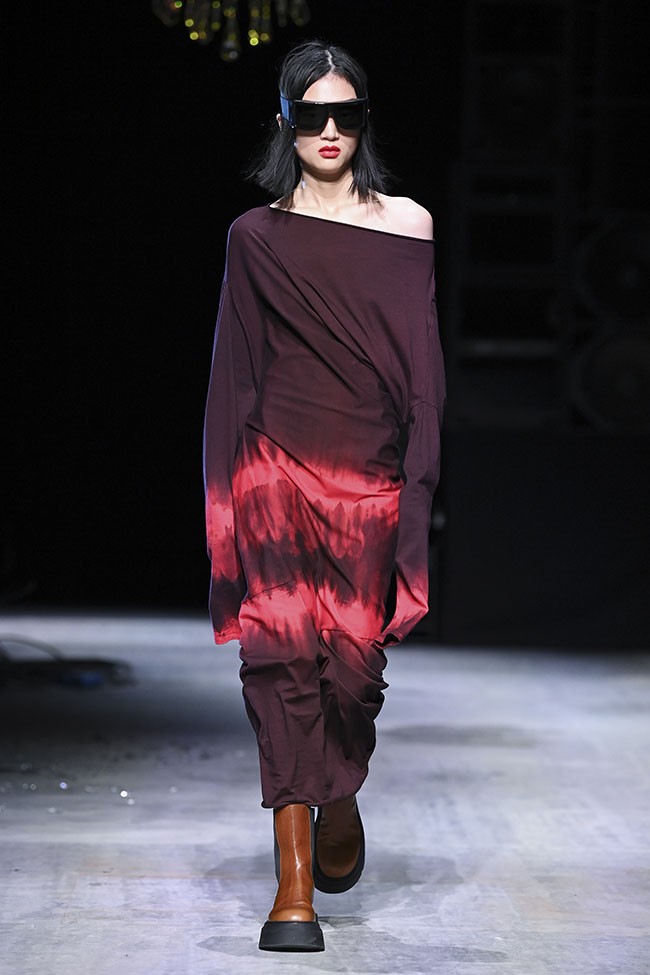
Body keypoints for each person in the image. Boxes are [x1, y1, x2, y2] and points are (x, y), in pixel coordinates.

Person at [203, 39, 445, 952]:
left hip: (367, 480)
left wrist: (418, 489)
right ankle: (294, 887)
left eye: (345, 114)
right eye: (312, 114)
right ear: (286, 121)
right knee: (279, 662)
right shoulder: (254, 237)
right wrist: (224, 506)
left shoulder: (409, 225)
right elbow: (234, 374)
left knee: (350, 675)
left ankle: (338, 795)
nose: (330, 130)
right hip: (272, 469)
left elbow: (424, 377)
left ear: (364, 120)